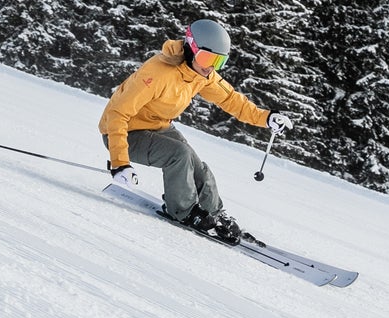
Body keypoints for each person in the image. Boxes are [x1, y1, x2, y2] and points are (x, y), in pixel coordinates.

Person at [100, 17, 293, 244]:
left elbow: (231, 99)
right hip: (124, 133)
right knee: (179, 155)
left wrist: (267, 118)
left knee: (193, 162)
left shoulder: (202, 75)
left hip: (158, 126)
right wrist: (120, 162)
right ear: (191, 48)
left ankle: (214, 213)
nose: (210, 66)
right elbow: (117, 114)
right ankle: (183, 211)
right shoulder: (156, 74)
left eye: (218, 62)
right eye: (206, 58)